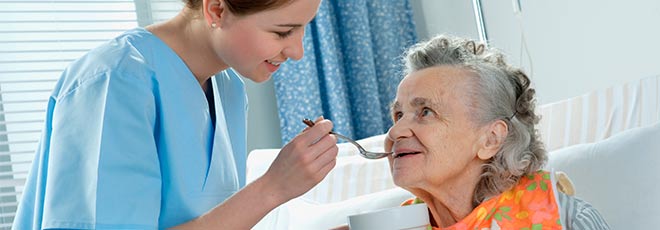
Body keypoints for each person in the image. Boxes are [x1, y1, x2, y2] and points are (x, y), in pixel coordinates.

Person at [13, 0, 339, 229]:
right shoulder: (114, 81)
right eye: (283, 32)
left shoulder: (229, 91)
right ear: (216, 9)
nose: (297, 52)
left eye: (303, 30)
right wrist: (273, 187)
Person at [381, 35, 611, 229]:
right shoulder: (390, 225)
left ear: (490, 139)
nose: (395, 130)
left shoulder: (567, 218)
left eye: (426, 112)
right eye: (399, 115)